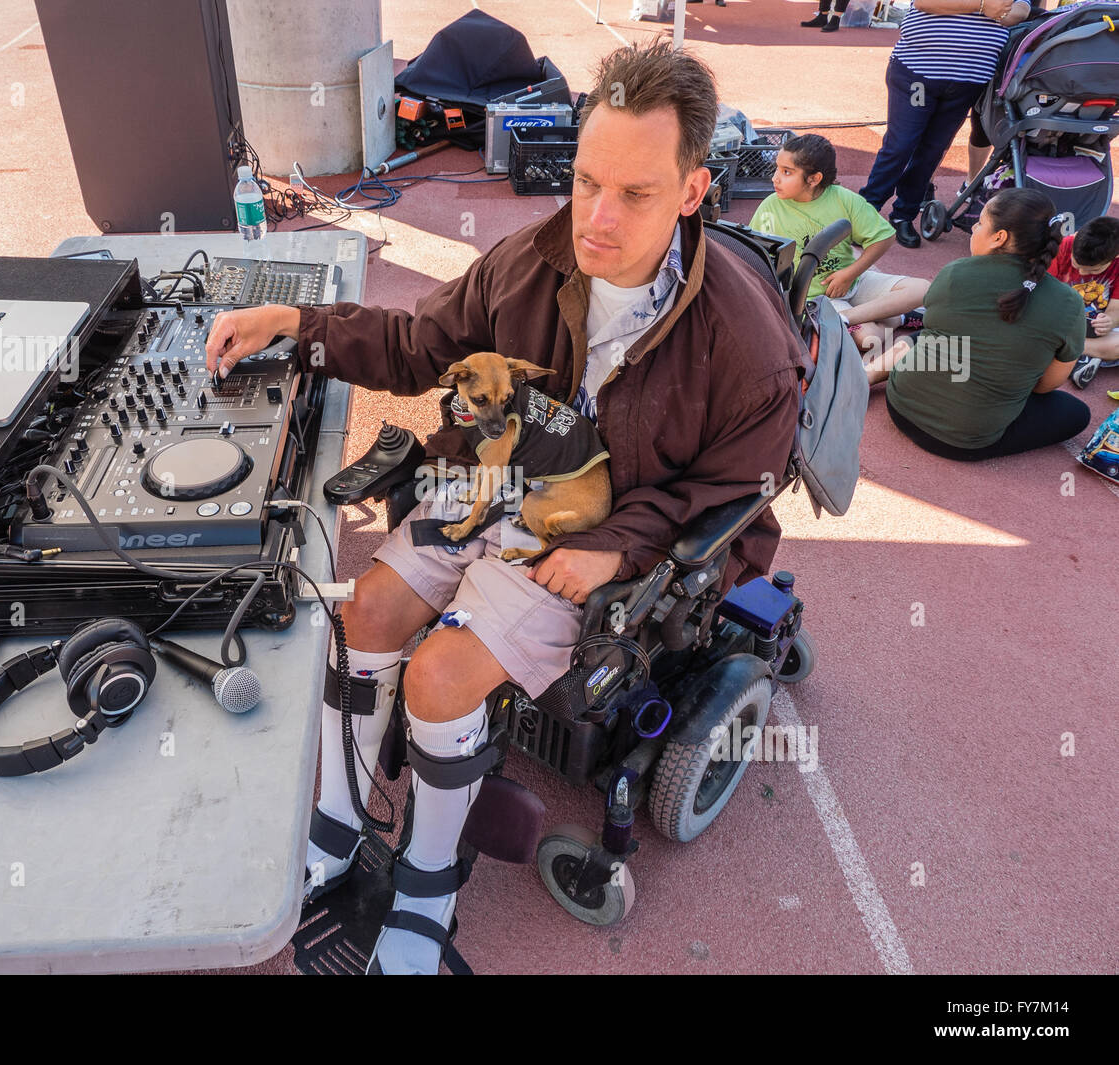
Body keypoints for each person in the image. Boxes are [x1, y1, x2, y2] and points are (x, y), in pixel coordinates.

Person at [205, 42, 804, 975]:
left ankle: (430, 877)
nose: (597, 219)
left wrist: (615, 549)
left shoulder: (749, 345)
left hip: (606, 535)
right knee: (360, 616)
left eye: (635, 194)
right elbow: (418, 344)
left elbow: (737, 498)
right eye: (586, 179)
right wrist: (298, 327)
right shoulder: (533, 257)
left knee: (439, 677)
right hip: (489, 485)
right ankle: (344, 808)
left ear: (692, 190)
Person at [864, 188, 1091, 460]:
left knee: (927, 337)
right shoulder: (1069, 303)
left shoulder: (954, 272)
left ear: (999, 238)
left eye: (980, 222)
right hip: (965, 442)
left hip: (900, 407)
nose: (974, 227)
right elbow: (1044, 387)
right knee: (1078, 414)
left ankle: (868, 374)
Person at [858, 0, 1033, 249]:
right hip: (918, 73)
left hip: (967, 81)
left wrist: (995, 10)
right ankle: (866, 211)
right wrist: (983, 7)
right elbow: (926, 3)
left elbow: (1020, 10)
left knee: (932, 151)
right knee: (901, 145)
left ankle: (903, 215)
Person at [753, 134, 929, 355]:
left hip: (853, 282)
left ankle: (846, 318)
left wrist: (849, 274)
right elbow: (755, 253)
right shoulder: (770, 207)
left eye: (786, 172)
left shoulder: (844, 199)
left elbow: (884, 237)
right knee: (868, 340)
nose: (775, 178)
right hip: (816, 299)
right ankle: (897, 317)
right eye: (777, 169)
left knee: (922, 289)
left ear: (814, 179)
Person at [1045, 215, 1119, 388]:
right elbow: (1044, 297)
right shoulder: (1063, 247)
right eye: (1076, 264)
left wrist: (1109, 321)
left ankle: (1075, 353)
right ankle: (1087, 355)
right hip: (1060, 321)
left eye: (1093, 269)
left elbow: (1116, 307)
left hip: (1092, 328)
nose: (1083, 273)